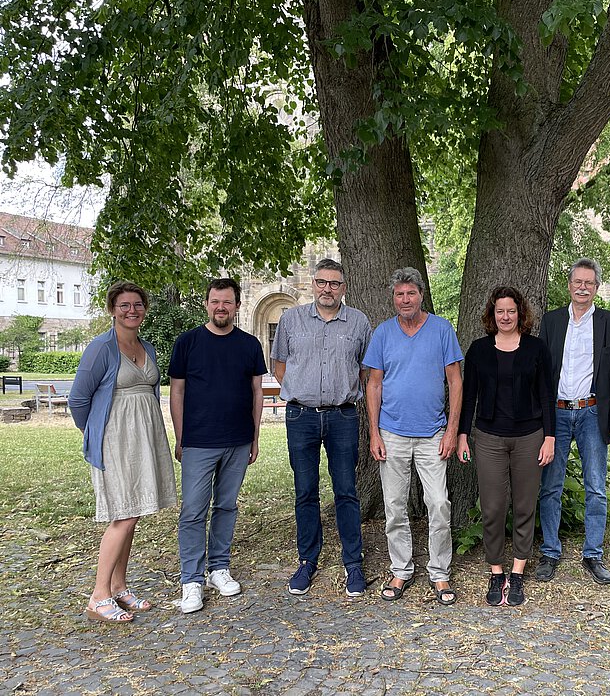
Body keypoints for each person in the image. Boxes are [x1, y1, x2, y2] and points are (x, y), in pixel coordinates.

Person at [69, 281, 176, 622]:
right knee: (123, 514)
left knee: (134, 511)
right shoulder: (101, 348)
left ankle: (118, 586)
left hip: (144, 437)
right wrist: (96, 434)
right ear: (112, 310)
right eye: (124, 305)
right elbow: (78, 399)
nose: (132, 310)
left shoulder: (147, 347)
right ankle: (98, 596)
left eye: (138, 304)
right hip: (115, 440)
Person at [271, 258, 373, 597]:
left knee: (346, 490)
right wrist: (303, 391)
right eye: (321, 282)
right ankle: (307, 560)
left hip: (342, 416)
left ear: (343, 288)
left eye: (334, 283)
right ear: (313, 284)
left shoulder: (358, 322)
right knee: (305, 490)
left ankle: (353, 563)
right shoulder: (291, 319)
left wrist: (340, 390)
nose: (327, 289)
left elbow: (364, 370)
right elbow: (280, 366)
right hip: (301, 416)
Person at [363, 267, 463, 605]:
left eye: (411, 293)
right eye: (399, 294)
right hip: (391, 432)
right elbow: (373, 385)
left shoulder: (441, 329)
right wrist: (374, 433)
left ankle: (440, 572)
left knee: (438, 504)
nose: (405, 300)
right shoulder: (383, 333)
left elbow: (455, 382)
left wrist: (451, 431)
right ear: (393, 298)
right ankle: (401, 569)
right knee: (394, 506)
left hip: (433, 433)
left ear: (421, 295)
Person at [169, 277, 267, 613]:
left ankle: (218, 569)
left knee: (226, 506)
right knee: (193, 511)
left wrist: (254, 437)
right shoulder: (188, 342)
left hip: (237, 440)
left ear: (237, 306)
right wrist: (181, 437)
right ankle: (191, 580)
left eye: (227, 302)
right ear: (206, 304)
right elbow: (177, 392)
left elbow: (257, 392)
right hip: (198, 441)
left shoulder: (249, 345)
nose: (220, 307)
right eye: (215, 301)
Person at [457, 286, 555, 606]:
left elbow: (546, 395)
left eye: (511, 311)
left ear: (520, 313)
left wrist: (550, 437)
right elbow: (469, 396)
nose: (506, 316)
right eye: (500, 311)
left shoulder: (536, 349)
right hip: (489, 438)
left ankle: (517, 573)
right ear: (492, 314)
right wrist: (462, 435)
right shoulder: (479, 350)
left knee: (525, 506)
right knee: (493, 507)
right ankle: (496, 571)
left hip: (530, 437)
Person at [536, 258, 610, 585]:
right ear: (569, 285)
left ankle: (593, 554)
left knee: (596, 487)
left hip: (592, 412)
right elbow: (541, 372)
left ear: (597, 287)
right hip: (556, 413)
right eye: (578, 282)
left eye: (589, 283)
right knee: (550, 485)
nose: (583, 287)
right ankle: (550, 551)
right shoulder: (552, 321)